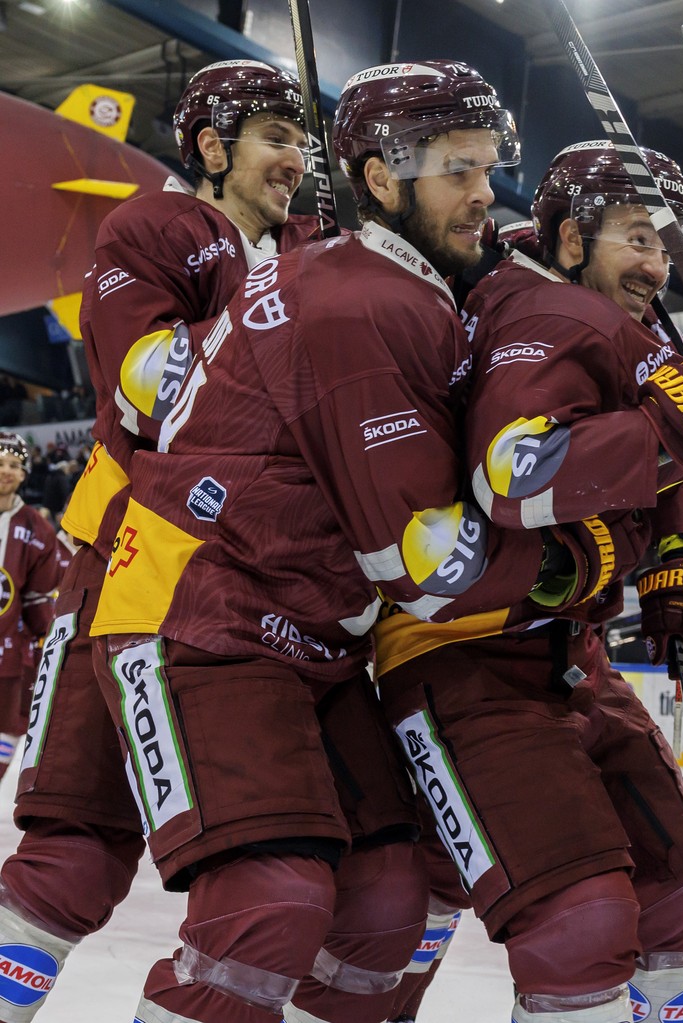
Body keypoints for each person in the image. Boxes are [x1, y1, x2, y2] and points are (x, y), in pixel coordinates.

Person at [85, 61, 590, 1023]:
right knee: (266, 901)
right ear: (383, 179)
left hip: (315, 633)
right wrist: (585, 564)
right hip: (196, 607)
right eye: (457, 169)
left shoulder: (378, 280)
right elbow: (424, 567)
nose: (486, 192)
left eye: (489, 167)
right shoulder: (361, 300)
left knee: (384, 902)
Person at [369, 138, 683, 1023]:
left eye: (666, 244)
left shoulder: (611, 325)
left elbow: (659, 460)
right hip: (465, 655)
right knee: (578, 922)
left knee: (678, 893)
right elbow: (517, 476)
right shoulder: (543, 318)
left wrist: (680, 566)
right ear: (568, 242)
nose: (657, 264)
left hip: (567, 655)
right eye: (637, 237)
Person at [0, 59, 328, 1023]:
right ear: (212, 148)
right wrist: (297, 314)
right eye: (274, 138)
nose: (295, 160)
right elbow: (154, 387)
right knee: (73, 848)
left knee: (300, 879)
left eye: (301, 141)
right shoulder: (156, 225)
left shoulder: (305, 245)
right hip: (127, 562)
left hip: (254, 577)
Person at [0, 434, 61, 784]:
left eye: (13, 465)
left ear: (24, 474)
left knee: (9, 726)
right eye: (0, 463)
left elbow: (39, 597)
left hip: (9, 651)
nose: (6, 471)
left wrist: (45, 641)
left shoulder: (36, 528)